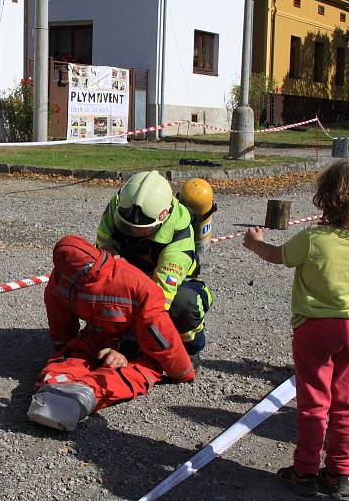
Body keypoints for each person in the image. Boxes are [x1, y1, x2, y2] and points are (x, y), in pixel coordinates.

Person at [242, 160, 349, 499]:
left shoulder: (312, 239)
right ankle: (338, 474)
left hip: (313, 330)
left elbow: (279, 256)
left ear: (327, 197)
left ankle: (304, 471)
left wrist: (254, 243)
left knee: (314, 404)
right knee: (347, 403)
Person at [27, 235, 195, 431]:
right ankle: (59, 387)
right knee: (73, 356)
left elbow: (160, 335)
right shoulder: (66, 274)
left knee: (140, 368)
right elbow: (59, 314)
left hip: (136, 342)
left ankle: (85, 392)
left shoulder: (132, 284)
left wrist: (182, 371)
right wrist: (64, 346)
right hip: (101, 337)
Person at [95, 170, 212, 362]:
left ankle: (190, 348)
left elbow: (160, 299)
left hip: (172, 286)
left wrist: (135, 341)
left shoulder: (179, 233)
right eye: (127, 226)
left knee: (184, 303)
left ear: (162, 218)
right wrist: (114, 262)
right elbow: (103, 247)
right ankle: (117, 338)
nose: (131, 231)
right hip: (133, 276)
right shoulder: (118, 205)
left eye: (140, 230)